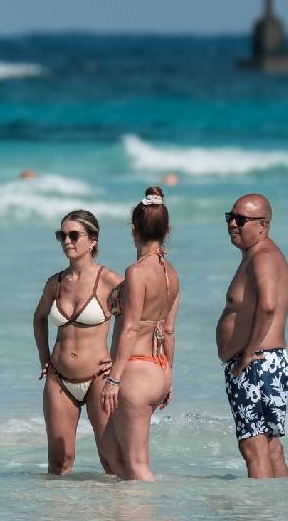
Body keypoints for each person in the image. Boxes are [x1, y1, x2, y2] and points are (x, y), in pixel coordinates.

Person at [32, 210, 123, 475]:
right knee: (60, 461)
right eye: (62, 235)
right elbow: (38, 319)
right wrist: (44, 357)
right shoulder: (56, 283)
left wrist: (118, 363)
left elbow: (132, 324)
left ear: (93, 240)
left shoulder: (109, 281)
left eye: (74, 235)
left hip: (98, 378)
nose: (67, 241)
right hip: (59, 379)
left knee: (111, 459)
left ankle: (117, 513)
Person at [100, 187, 181, 481]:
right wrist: (169, 375)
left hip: (135, 370)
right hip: (157, 368)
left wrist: (114, 378)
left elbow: (131, 327)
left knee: (137, 464)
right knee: (111, 450)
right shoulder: (171, 273)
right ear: (166, 229)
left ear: (133, 229)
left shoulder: (137, 272)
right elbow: (169, 330)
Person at [217, 193, 288, 479]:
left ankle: (259, 510)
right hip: (268, 362)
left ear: (263, 225)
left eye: (241, 220)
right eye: (230, 217)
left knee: (253, 447)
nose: (232, 224)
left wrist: (249, 350)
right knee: (270, 446)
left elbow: (268, 304)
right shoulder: (260, 255)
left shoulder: (262, 257)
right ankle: (275, 508)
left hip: (257, 363)